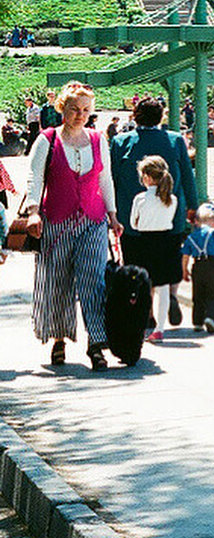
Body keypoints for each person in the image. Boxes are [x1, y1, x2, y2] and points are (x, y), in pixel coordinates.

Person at [22, 81, 123, 371]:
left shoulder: (97, 139)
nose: (80, 115)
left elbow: (106, 180)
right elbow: (34, 178)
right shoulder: (47, 139)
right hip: (56, 220)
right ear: (62, 109)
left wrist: (113, 215)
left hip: (92, 219)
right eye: (74, 109)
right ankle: (58, 339)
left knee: (93, 280)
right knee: (58, 282)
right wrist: (33, 212)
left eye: (85, 110)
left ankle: (96, 343)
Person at [110, 97, 198, 330]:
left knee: (139, 265)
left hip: (134, 220)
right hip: (170, 217)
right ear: (162, 117)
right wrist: (193, 206)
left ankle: (148, 312)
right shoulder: (176, 140)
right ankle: (171, 294)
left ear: (135, 116)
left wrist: (110, 213)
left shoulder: (120, 142)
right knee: (169, 259)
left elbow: (111, 179)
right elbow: (188, 176)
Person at [129, 155, 179, 343]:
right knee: (163, 287)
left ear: (147, 177)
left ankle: (142, 323)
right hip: (165, 242)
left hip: (144, 242)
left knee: (144, 285)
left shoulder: (140, 199)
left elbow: (133, 224)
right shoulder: (172, 199)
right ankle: (160, 329)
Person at [181, 202, 214, 334]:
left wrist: (184, 270)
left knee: (198, 294)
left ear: (196, 221)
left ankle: (197, 322)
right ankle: (210, 317)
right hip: (213, 264)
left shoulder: (191, 237)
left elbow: (185, 255)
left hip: (197, 265)